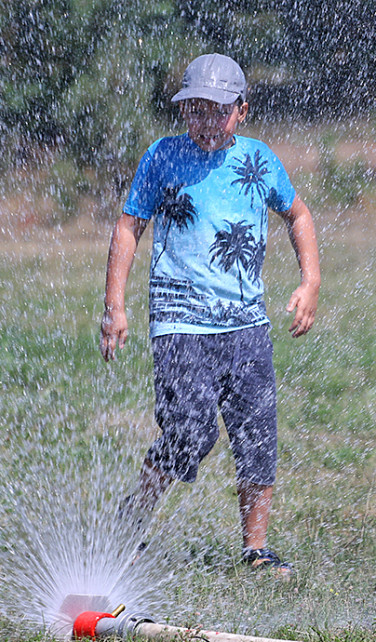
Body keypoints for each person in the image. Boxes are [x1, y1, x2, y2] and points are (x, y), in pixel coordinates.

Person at [100, 53, 320, 574]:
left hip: (246, 325)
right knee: (191, 431)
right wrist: (115, 306)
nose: (205, 122)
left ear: (241, 110)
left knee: (257, 434)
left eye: (217, 111)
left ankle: (255, 550)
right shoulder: (161, 157)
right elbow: (128, 228)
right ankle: (133, 515)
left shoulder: (259, 160)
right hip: (180, 325)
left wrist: (311, 281)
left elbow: (298, 214)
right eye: (194, 110)